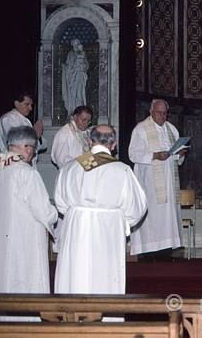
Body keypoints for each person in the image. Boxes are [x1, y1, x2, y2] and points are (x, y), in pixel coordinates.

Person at [54, 125, 146, 294]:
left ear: (90, 141)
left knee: (76, 274)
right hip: (108, 229)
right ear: (114, 144)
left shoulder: (69, 167)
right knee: (105, 276)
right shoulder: (122, 170)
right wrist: (123, 222)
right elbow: (136, 208)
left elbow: (60, 203)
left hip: (76, 226)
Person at [0, 126, 57, 294]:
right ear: (27, 147)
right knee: (25, 278)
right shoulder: (26, 172)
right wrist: (54, 213)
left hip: (0, 236)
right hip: (24, 236)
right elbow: (42, 211)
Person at [129, 99, 187, 255]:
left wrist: (179, 154)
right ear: (151, 111)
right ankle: (148, 251)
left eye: (164, 113)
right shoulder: (141, 129)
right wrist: (154, 155)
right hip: (149, 182)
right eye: (159, 113)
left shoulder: (172, 129)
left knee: (167, 215)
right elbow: (133, 154)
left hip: (168, 181)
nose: (162, 116)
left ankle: (166, 249)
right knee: (152, 216)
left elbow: (175, 157)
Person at [0, 92, 46, 156]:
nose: (30, 108)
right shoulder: (8, 119)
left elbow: (42, 146)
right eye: (27, 104)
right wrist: (35, 134)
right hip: (13, 162)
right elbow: (18, 144)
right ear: (16, 104)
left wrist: (38, 135)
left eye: (31, 105)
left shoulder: (25, 120)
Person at [62, 38, 89, 115]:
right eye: (75, 44)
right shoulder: (71, 54)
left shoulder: (82, 54)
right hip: (72, 78)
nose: (76, 46)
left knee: (79, 94)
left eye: (77, 44)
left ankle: (80, 111)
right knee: (73, 94)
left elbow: (86, 65)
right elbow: (68, 66)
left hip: (80, 76)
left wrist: (82, 67)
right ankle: (73, 111)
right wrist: (67, 68)